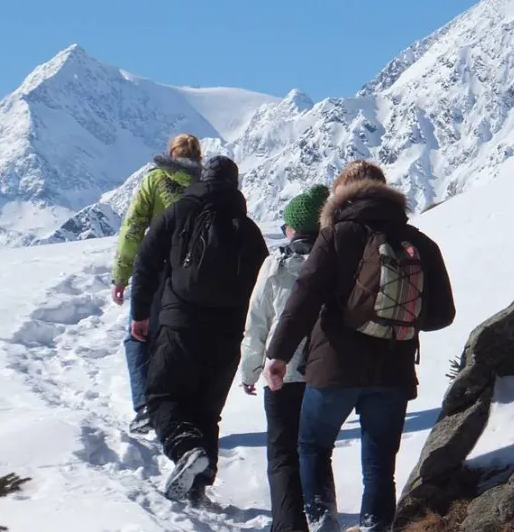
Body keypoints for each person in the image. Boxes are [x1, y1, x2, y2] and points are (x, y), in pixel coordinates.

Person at [263, 161, 457, 532]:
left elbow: (303, 297)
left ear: (340, 196)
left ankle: (323, 521)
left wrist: (278, 355)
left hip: (333, 366)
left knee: (313, 447)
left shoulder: (337, 234)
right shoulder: (420, 242)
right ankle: (375, 526)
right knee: (380, 465)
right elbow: (442, 315)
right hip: (394, 369)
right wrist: (398, 318)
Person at [130, 155, 268, 503]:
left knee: (163, 396)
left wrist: (140, 313)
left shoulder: (178, 213)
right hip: (227, 333)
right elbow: (264, 286)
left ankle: (186, 449)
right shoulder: (248, 229)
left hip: (180, 322)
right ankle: (199, 482)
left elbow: (146, 262)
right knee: (207, 409)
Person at [239, 184, 330, 532]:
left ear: (293, 229)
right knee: (317, 451)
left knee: (282, 455)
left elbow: (256, 322)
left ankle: (289, 525)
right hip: (325, 372)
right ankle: (324, 518)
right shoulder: (336, 262)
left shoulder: (275, 264)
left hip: (281, 372)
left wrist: (250, 370)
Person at [111, 133, 203, 434]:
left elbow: (133, 227)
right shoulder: (207, 185)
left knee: (138, 337)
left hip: (155, 269)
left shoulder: (154, 181)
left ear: (171, 153)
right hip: (193, 275)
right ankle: (180, 407)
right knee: (179, 338)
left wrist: (121, 275)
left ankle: (145, 406)